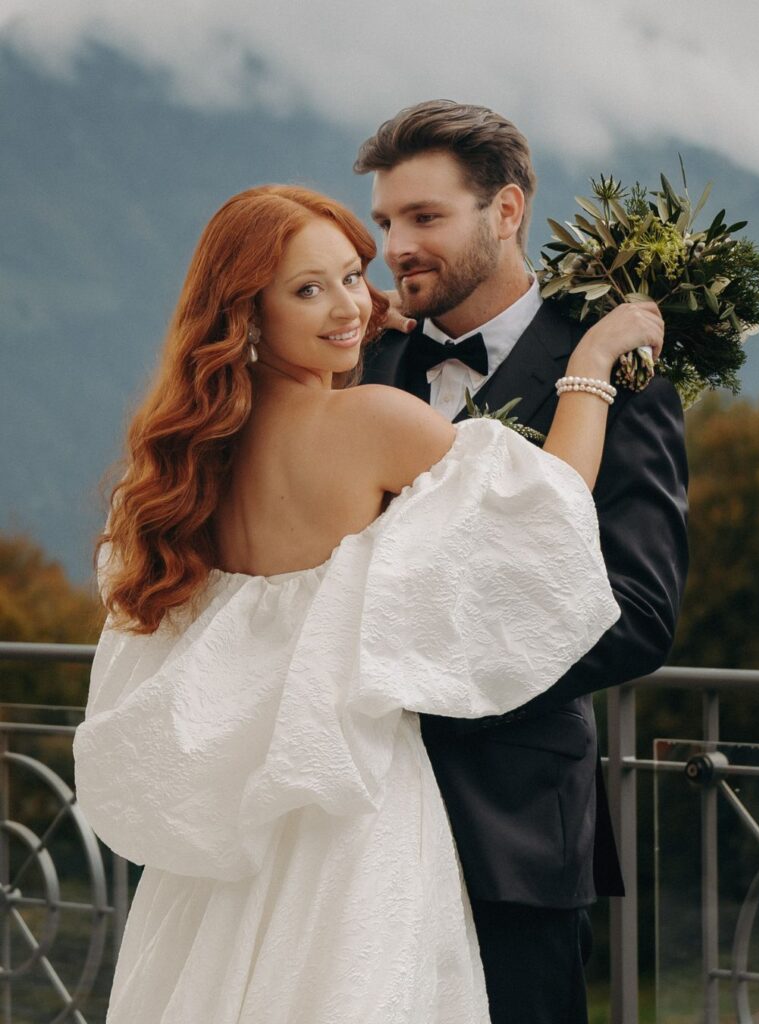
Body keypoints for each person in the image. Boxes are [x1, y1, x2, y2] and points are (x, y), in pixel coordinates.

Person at [73, 183, 665, 1024]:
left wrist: (336, 326)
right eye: (306, 290)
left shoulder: (183, 460)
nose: (349, 303)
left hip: (232, 837)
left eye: (353, 277)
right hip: (351, 809)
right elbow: (548, 506)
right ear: (245, 312)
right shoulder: (371, 422)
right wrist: (592, 366)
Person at [355, 100, 689, 1024]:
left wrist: (435, 677)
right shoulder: (362, 358)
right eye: (387, 222)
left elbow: (637, 608)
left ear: (505, 213)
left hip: (512, 834)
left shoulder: (621, 379)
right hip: (353, 823)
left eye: (425, 218)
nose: (395, 248)